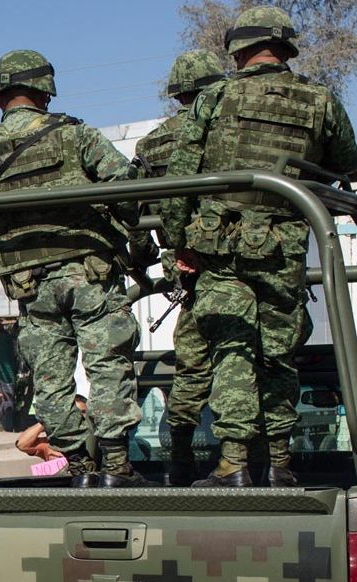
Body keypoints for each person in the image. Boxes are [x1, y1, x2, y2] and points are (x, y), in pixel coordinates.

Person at [161, 5, 357, 487]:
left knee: (232, 349)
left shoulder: (215, 97)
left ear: (236, 49)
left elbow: (180, 177)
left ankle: (233, 465)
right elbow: (345, 164)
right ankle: (280, 464)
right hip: (282, 247)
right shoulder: (321, 100)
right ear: (286, 46)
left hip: (219, 248)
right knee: (277, 354)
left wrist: (177, 241)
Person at [0, 49, 142, 486]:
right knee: (107, 368)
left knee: (50, 383)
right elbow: (127, 187)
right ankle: (116, 468)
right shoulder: (76, 136)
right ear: (45, 91)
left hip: (30, 285)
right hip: (89, 273)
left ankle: (80, 466)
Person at [136, 50, 226, 485]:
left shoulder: (151, 145)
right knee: (245, 358)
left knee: (191, 366)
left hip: (185, 273)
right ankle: (251, 457)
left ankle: (182, 456)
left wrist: (146, 262)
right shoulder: (228, 127)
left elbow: (133, 213)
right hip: (240, 264)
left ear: (176, 94)